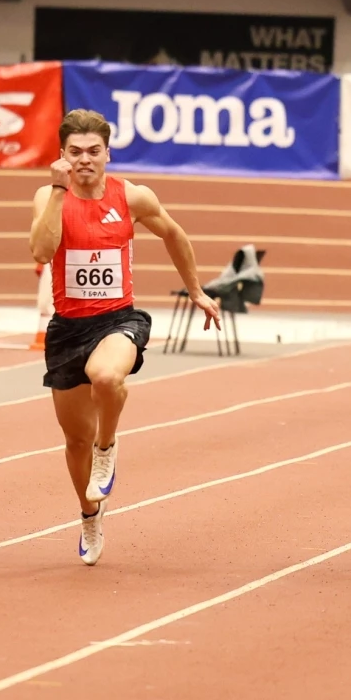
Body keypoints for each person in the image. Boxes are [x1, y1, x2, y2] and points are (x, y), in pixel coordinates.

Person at [29, 109, 220, 566]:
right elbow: (41, 249)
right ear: (62, 155)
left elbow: (174, 234)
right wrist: (57, 191)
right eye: (75, 152)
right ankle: (89, 515)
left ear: (108, 154)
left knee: (106, 377)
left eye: (93, 151)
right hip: (68, 327)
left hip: (118, 320)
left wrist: (196, 289)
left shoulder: (132, 196)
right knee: (74, 440)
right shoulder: (48, 196)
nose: (85, 159)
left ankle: (107, 447)